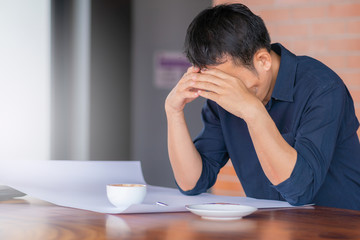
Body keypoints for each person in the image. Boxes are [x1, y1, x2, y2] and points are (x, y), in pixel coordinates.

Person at [164, 3, 360, 210]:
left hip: (338, 225)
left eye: (229, 83)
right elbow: (193, 183)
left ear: (263, 60)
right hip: (272, 226)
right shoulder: (221, 99)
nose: (224, 92)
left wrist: (252, 111)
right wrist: (173, 111)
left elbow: (299, 190)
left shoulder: (322, 88)